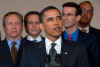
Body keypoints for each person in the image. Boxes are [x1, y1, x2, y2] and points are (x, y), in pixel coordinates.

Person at [20, 6, 89, 67]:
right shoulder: (29, 51)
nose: (56, 22)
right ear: (42, 26)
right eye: (50, 19)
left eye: (59, 18)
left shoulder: (78, 49)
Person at [62, 2, 98, 67]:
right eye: (63, 14)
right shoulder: (56, 38)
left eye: (69, 15)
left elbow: (95, 63)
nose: (65, 18)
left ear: (78, 18)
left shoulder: (90, 40)